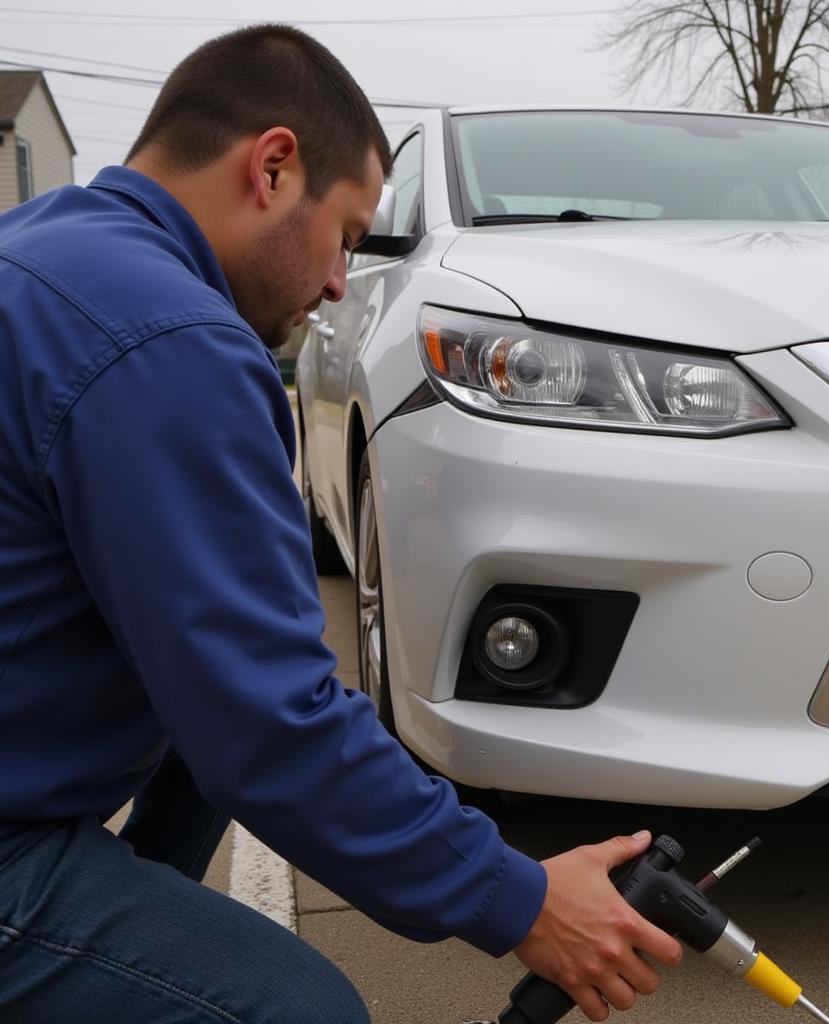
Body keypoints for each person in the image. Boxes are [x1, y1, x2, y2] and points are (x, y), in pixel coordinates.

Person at [0, 24, 681, 1024]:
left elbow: (222, 706)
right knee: (298, 1008)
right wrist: (519, 899)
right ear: (273, 168)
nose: (334, 285)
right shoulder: (169, 338)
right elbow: (270, 724)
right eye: (349, 236)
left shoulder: (46, 253)